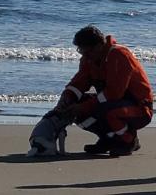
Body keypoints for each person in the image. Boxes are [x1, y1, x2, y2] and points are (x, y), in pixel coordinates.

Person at [56, 25, 153, 156]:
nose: (84, 55)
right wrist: (67, 97)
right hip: (112, 102)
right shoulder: (89, 59)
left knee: (106, 110)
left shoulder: (119, 55)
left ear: (99, 46)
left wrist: (83, 107)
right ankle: (108, 139)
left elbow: (114, 93)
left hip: (139, 109)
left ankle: (129, 141)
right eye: (81, 51)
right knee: (75, 109)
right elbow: (79, 82)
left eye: (87, 51)